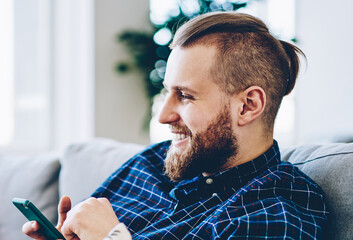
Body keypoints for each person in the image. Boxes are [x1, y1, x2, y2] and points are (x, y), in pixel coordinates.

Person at [23, 11, 328, 240]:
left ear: (248, 106)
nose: (163, 115)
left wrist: (111, 236)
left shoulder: (277, 209)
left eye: (184, 95)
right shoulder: (152, 163)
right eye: (166, 92)